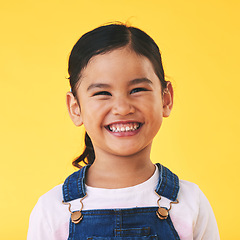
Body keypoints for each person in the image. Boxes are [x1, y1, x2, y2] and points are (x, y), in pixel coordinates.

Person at [27, 23, 220, 240]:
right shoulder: (52, 211)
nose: (122, 108)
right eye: (102, 93)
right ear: (75, 108)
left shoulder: (190, 203)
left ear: (166, 98)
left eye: (137, 90)